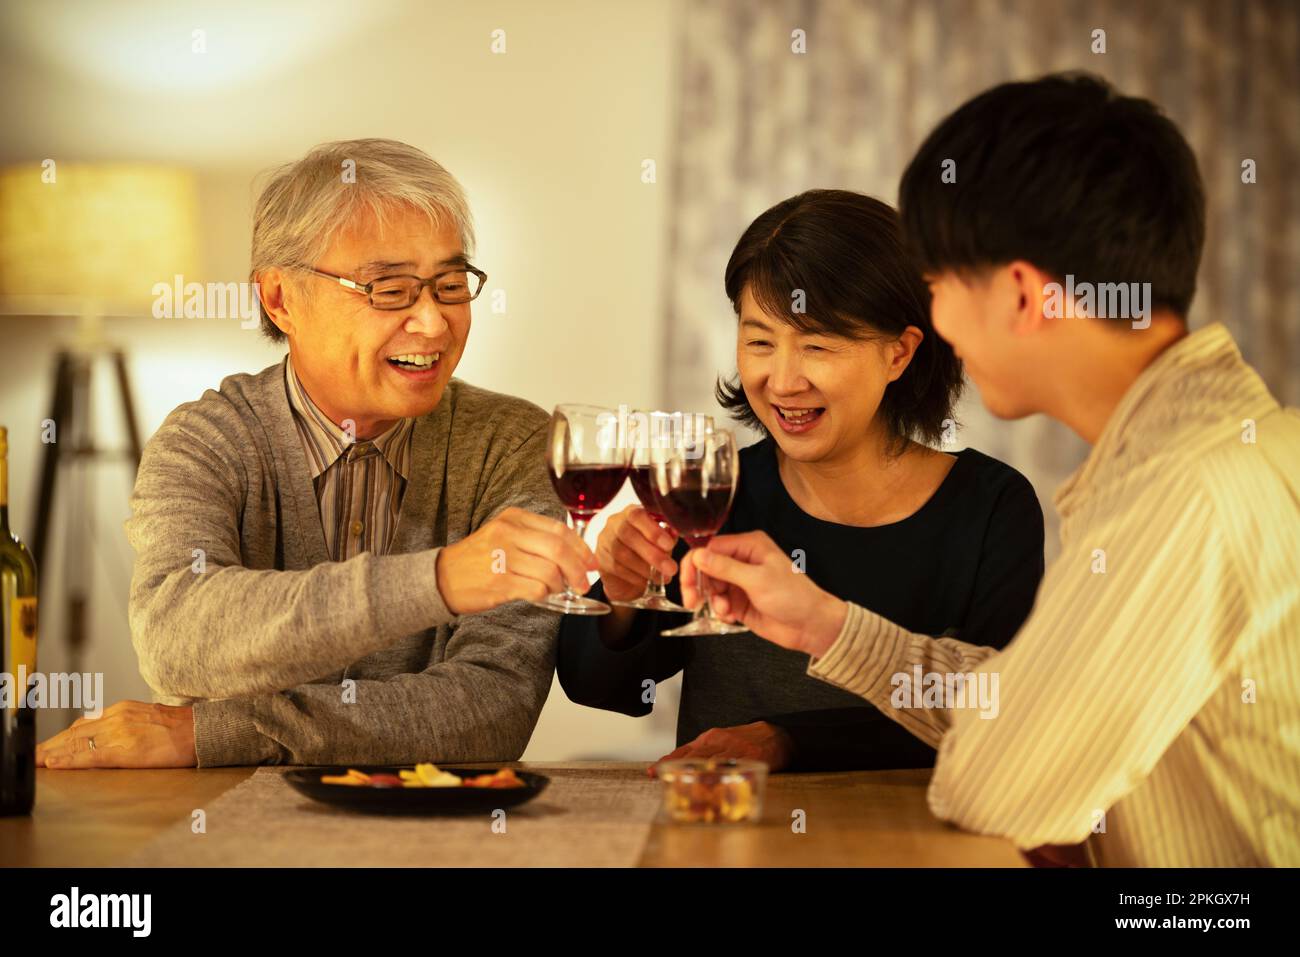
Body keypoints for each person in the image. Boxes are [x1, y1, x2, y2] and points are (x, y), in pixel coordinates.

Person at [683, 75, 1300, 866]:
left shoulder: (1185, 492)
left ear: (1019, 294)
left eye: (939, 286)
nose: (935, 323)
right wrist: (826, 625)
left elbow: (996, 787)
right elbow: (1028, 696)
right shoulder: (1228, 448)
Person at [35, 139, 596, 769]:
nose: (434, 323)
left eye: (450, 284)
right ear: (280, 299)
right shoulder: (209, 440)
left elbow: (489, 711)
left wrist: (210, 733)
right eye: (388, 288)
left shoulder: (512, 445)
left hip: (432, 841)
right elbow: (178, 636)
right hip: (221, 828)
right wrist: (435, 580)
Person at [558, 190, 1045, 771]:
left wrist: (791, 740)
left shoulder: (991, 508)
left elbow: (1000, 709)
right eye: (760, 342)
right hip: (731, 842)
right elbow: (602, 688)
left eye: (816, 345)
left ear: (899, 354)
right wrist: (619, 595)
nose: (783, 381)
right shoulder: (713, 494)